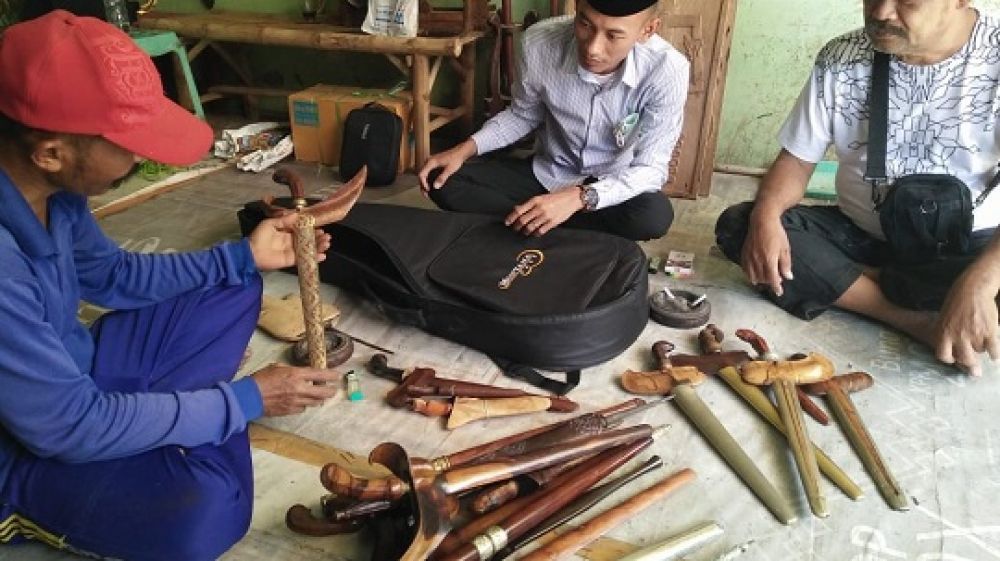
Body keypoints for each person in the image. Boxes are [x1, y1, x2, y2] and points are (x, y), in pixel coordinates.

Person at [0, 11, 341, 560]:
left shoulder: (52, 191)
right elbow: (69, 427)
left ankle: (166, 420)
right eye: (127, 144)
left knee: (233, 287)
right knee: (206, 513)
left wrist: (245, 254)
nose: (141, 155)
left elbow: (113, 275)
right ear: (51, 152)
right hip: (32, 447)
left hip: (77, 378)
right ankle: (36, 499)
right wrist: (244, 401)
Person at [715, 0, 1000, 376]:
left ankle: (857, 280)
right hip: (862, 235)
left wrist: (980, 282)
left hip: (971, 247)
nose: (881, 12)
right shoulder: (842, 56)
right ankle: (914, 318)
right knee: (744, 224)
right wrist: (767, 218)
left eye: (907, 2)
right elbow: (798, 161)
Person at [417, 0, 689, 241]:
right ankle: (558, 228)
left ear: (648, 30)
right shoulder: (539, 42)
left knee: (652, 215)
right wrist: (463, 150)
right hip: (549, 172)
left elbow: (651, 168)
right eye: (584, 24)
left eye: (613, 36)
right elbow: (522, 115)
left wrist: (580, 198)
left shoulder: (666, 70)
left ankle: (534, 223)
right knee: (442, 180)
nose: (593, 48)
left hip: (610, 180)